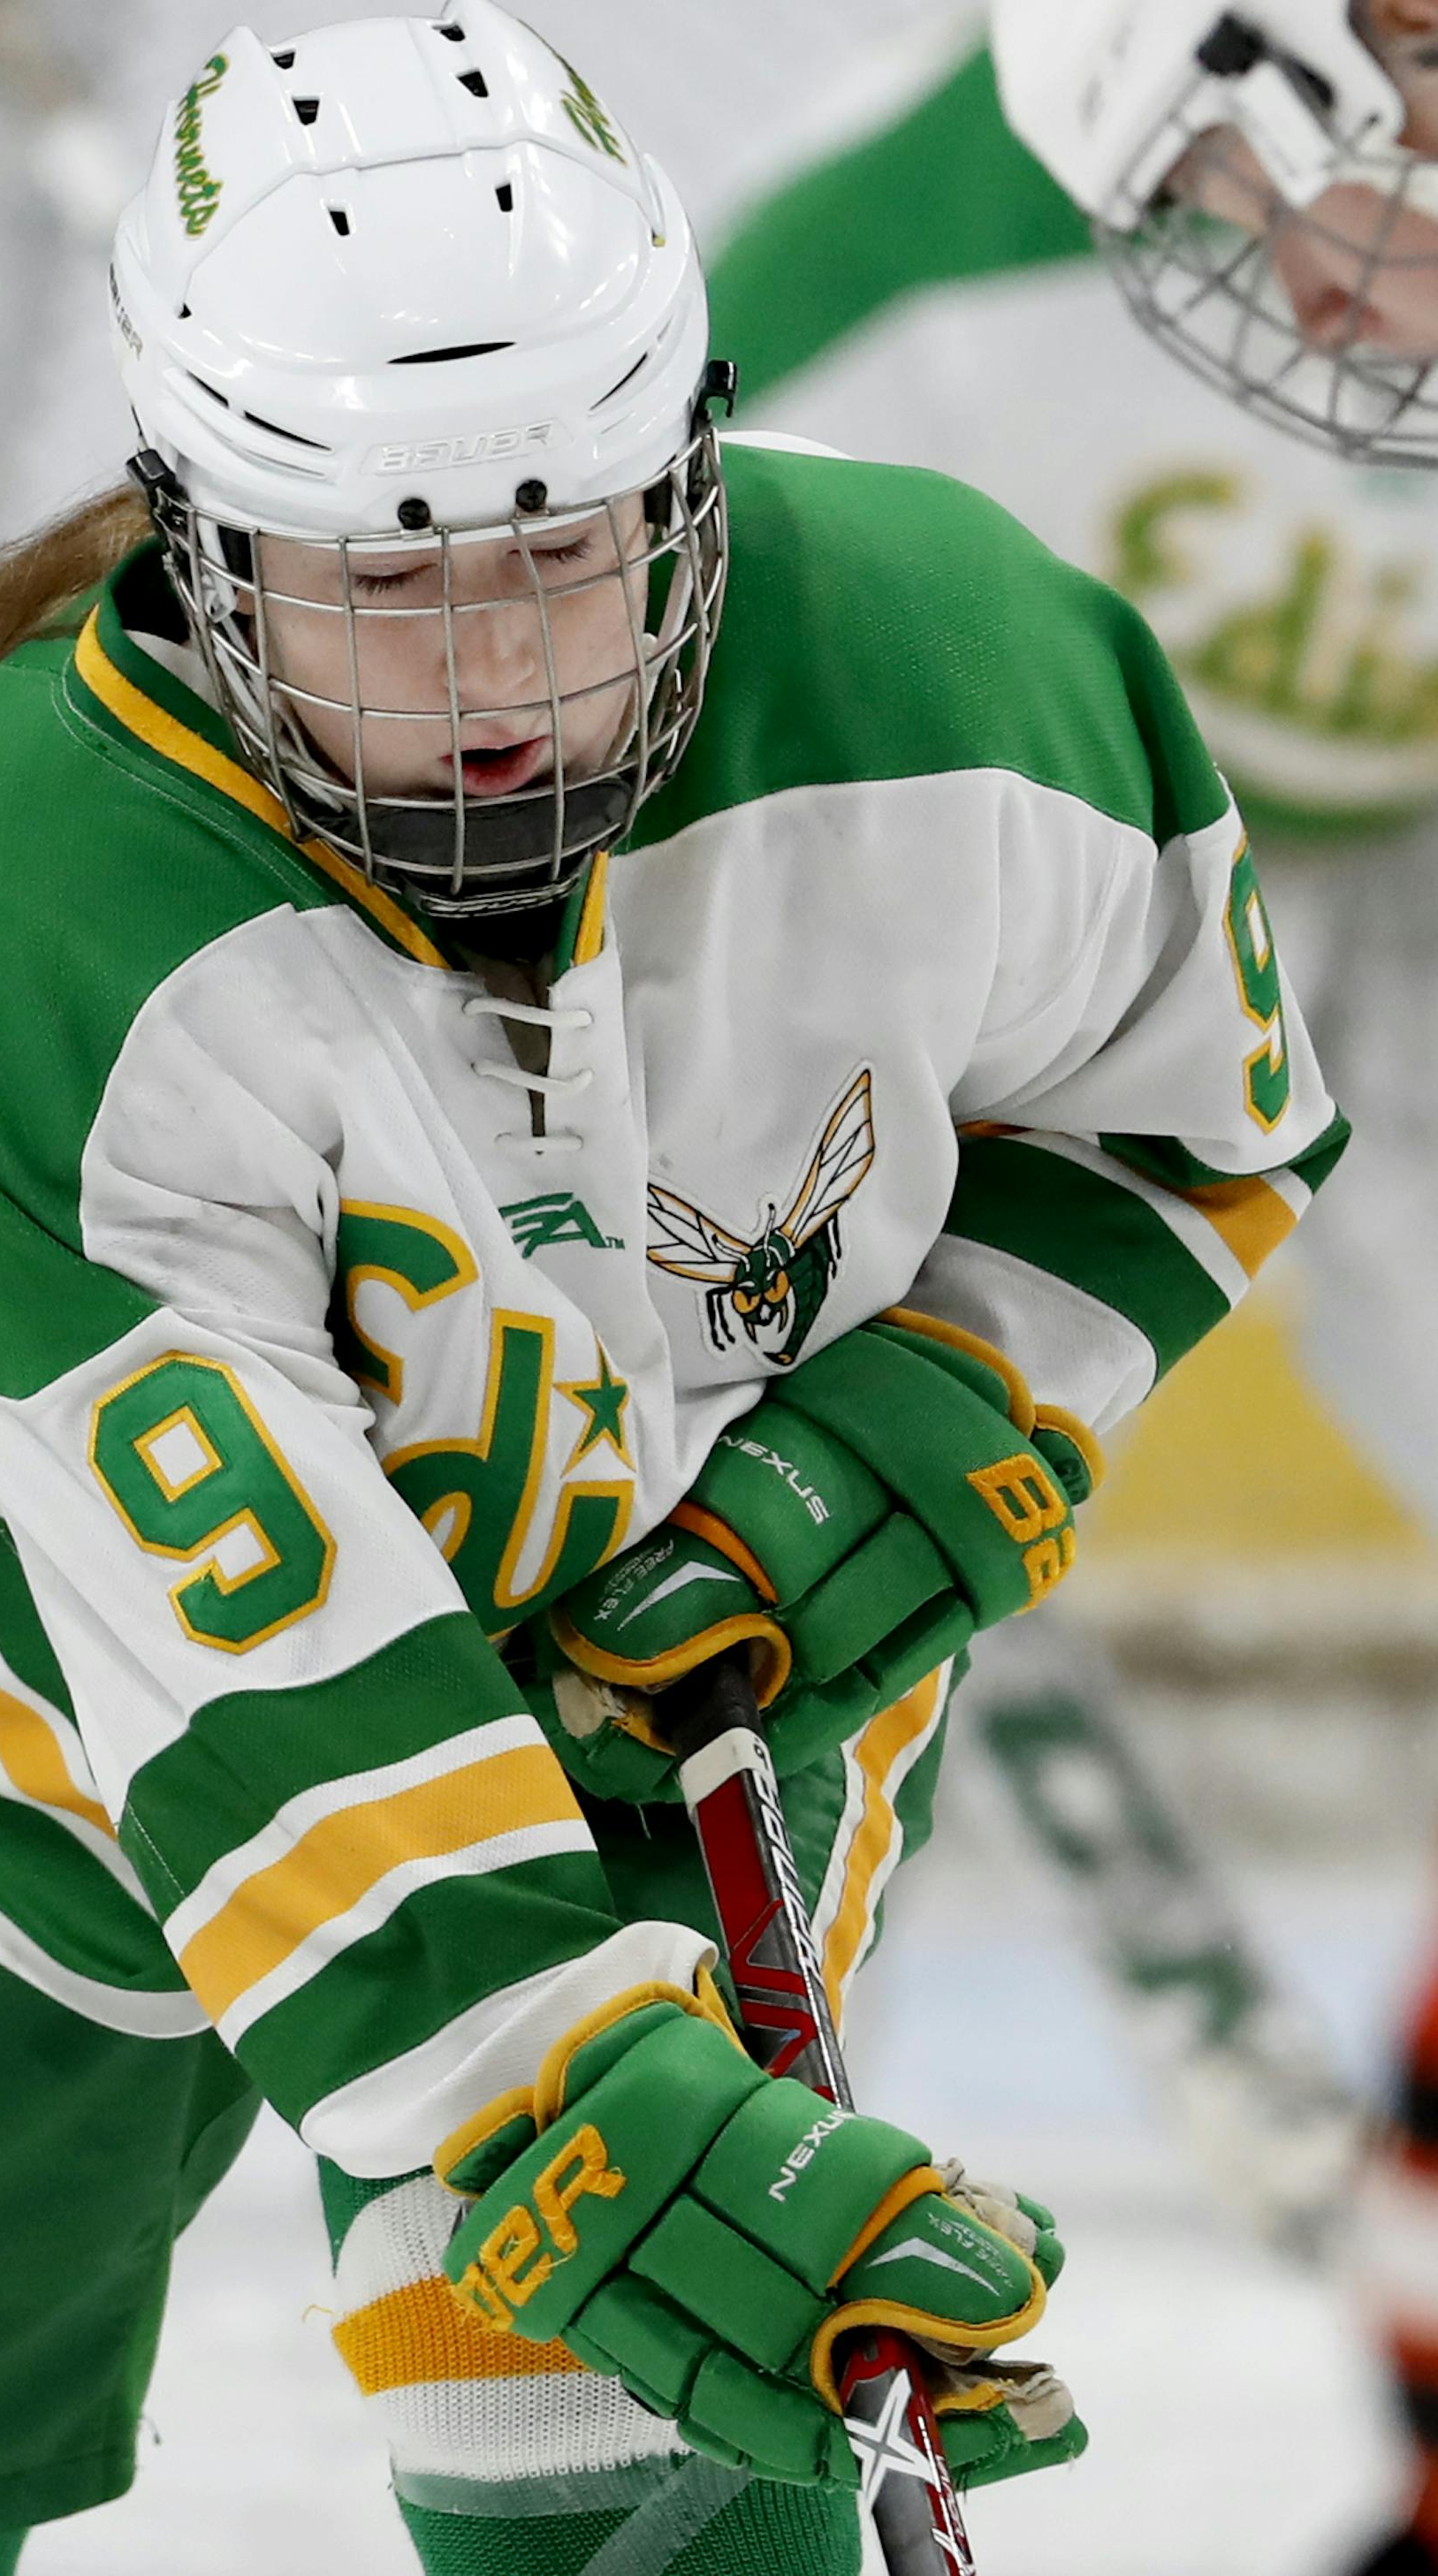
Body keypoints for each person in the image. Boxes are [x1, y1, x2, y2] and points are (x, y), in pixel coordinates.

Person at [0, 8, 1349, 2576]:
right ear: (200, 541)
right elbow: (273, 1700)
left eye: (562, 558)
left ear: (689, 473)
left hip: (679, 1670)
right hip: (21, 1696)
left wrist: (912, 1456)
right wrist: (567, 2104)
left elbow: (1188, 1103)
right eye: (391, 588)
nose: (499, 681)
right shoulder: (18, 945)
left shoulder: (962, 679)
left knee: (644, 2506)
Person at [702, 3, 1438, 2566]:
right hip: (1008, 861)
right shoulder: (885, 286)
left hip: (1404, 854)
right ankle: (732, 2175)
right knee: (750, 1556)